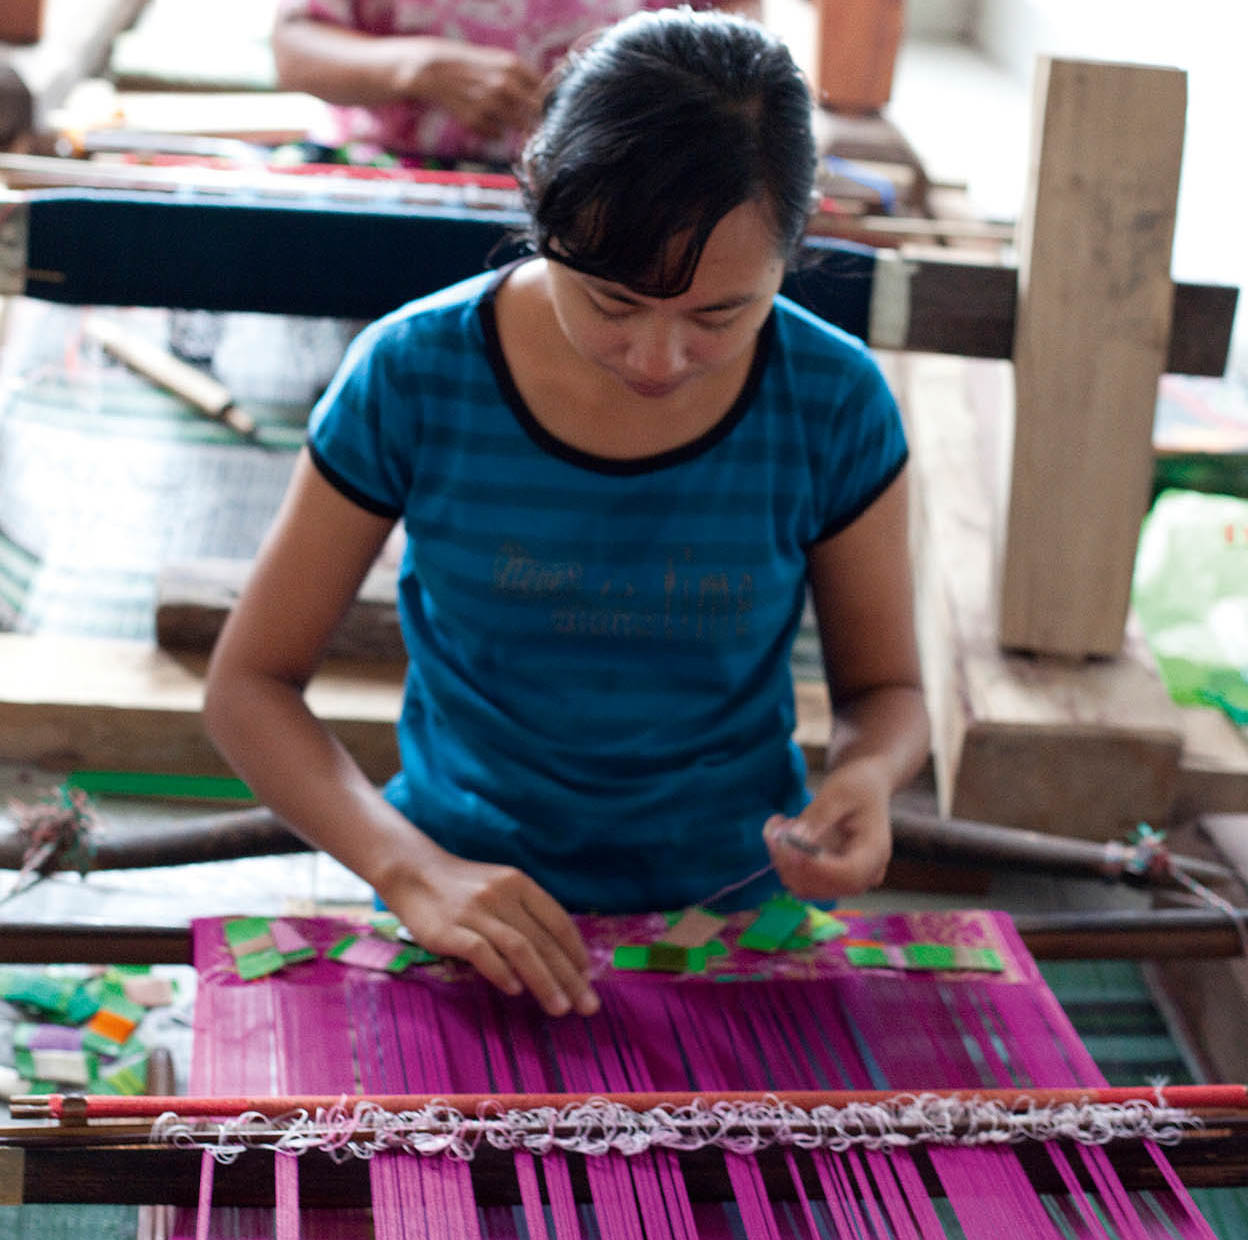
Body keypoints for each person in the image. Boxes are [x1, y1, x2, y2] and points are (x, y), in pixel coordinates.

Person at [204, 8, 930, 1022]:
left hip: (726, 911)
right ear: (543, 209)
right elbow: (249, 686)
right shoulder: (417, 374)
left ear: (793, 254)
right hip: (461, 902)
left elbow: (887, 687)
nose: (658, 360)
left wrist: (867, 775)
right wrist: (409, 869)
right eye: (613, 302)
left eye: (720, 315)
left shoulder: (833, 399)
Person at [270, 0, 758, 168]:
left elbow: (734, 56)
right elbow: (293, 48)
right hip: (396, 186)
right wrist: (421, 68)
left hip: (612, 192)